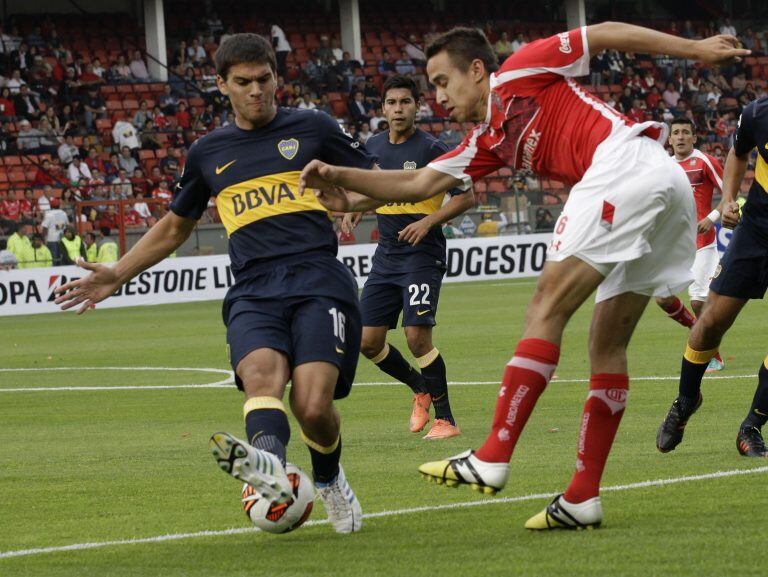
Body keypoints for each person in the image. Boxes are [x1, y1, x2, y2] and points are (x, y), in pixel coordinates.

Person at [300, 23, 747, 530]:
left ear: (476, 70)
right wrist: (342, 181)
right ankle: (582, 498)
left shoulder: (522, 69)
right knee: (606, 344)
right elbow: (418, 181)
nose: (438, 96)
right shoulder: (484, 141)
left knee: (544, 307)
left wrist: (695, 49)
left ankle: (493, 455)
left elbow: (601, 33)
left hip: (625, 167)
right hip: (661, 190)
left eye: (443, 81)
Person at [54, 33, 378, 534]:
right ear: (222, 85)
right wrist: (117, 272)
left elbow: (375, 182)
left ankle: (330, 480)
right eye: (243, 82)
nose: (256, 91)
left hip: (318, 277)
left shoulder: (313, 128)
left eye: (264, 80)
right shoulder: (208, 152)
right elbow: (175, 226)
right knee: (261, 378)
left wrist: (351, 201)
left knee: (313, 406)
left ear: (277, 77)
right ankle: (269, 467)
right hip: (253, 287)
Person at [347, 76, 474, 439]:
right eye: (392, 102)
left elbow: (467, 197)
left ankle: (446, 419)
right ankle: (420, 388)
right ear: (383, 108)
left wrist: (429, 221)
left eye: (405, 102)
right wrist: (355, 208)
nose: (398, 108)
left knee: (417, 336)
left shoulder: (434, 149)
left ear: (417, 106)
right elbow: (374, 190)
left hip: (422, 253)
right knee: (367, 342)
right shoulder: (372, 147)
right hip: (387, 256)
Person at [657, 95, 768, 458]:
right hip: (757, 231)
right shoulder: (758, 112)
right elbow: (738, 152)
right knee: (709, 323)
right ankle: (686, 400)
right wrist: (728, 199)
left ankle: (751, 426)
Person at [653, 117, 726, 371]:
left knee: (698, 302)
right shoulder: (663, 167)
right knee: (662, 297)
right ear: (670, 139)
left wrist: (712, 218)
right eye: (676, 133)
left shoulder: (705, 161)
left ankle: (712, 354)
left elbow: (730, 194)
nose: (681, 137)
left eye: (686, 132)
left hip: (702, 244)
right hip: (673, 245)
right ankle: (696, 329)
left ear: (694, 138)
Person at [41, 198, 69, 265]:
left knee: (53, 260)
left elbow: (44, 228)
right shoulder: (64, 213)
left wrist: (42, 239)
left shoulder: (49, 214)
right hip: (61, 239)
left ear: (50, 206)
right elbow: (67, 225)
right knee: (60, 260)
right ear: (59, 205)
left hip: (51, 240)